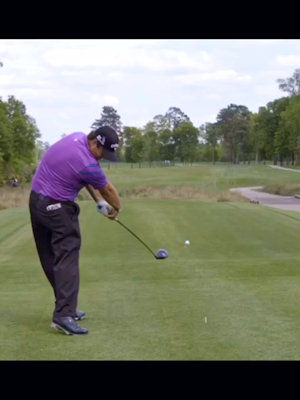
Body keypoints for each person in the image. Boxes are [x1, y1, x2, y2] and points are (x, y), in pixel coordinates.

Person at [29, 126, 122, 336]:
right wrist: (116, 209)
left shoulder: (77, 138)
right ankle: (64, 315)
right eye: (104, 153)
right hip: (56, 207)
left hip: (36, 202)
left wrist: (98, 200)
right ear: (95, 143)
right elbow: (108, 189)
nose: (104, 158)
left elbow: (84, 176)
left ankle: (66, 308)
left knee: (50, 256)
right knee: (68, 256)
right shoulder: (88, 163)